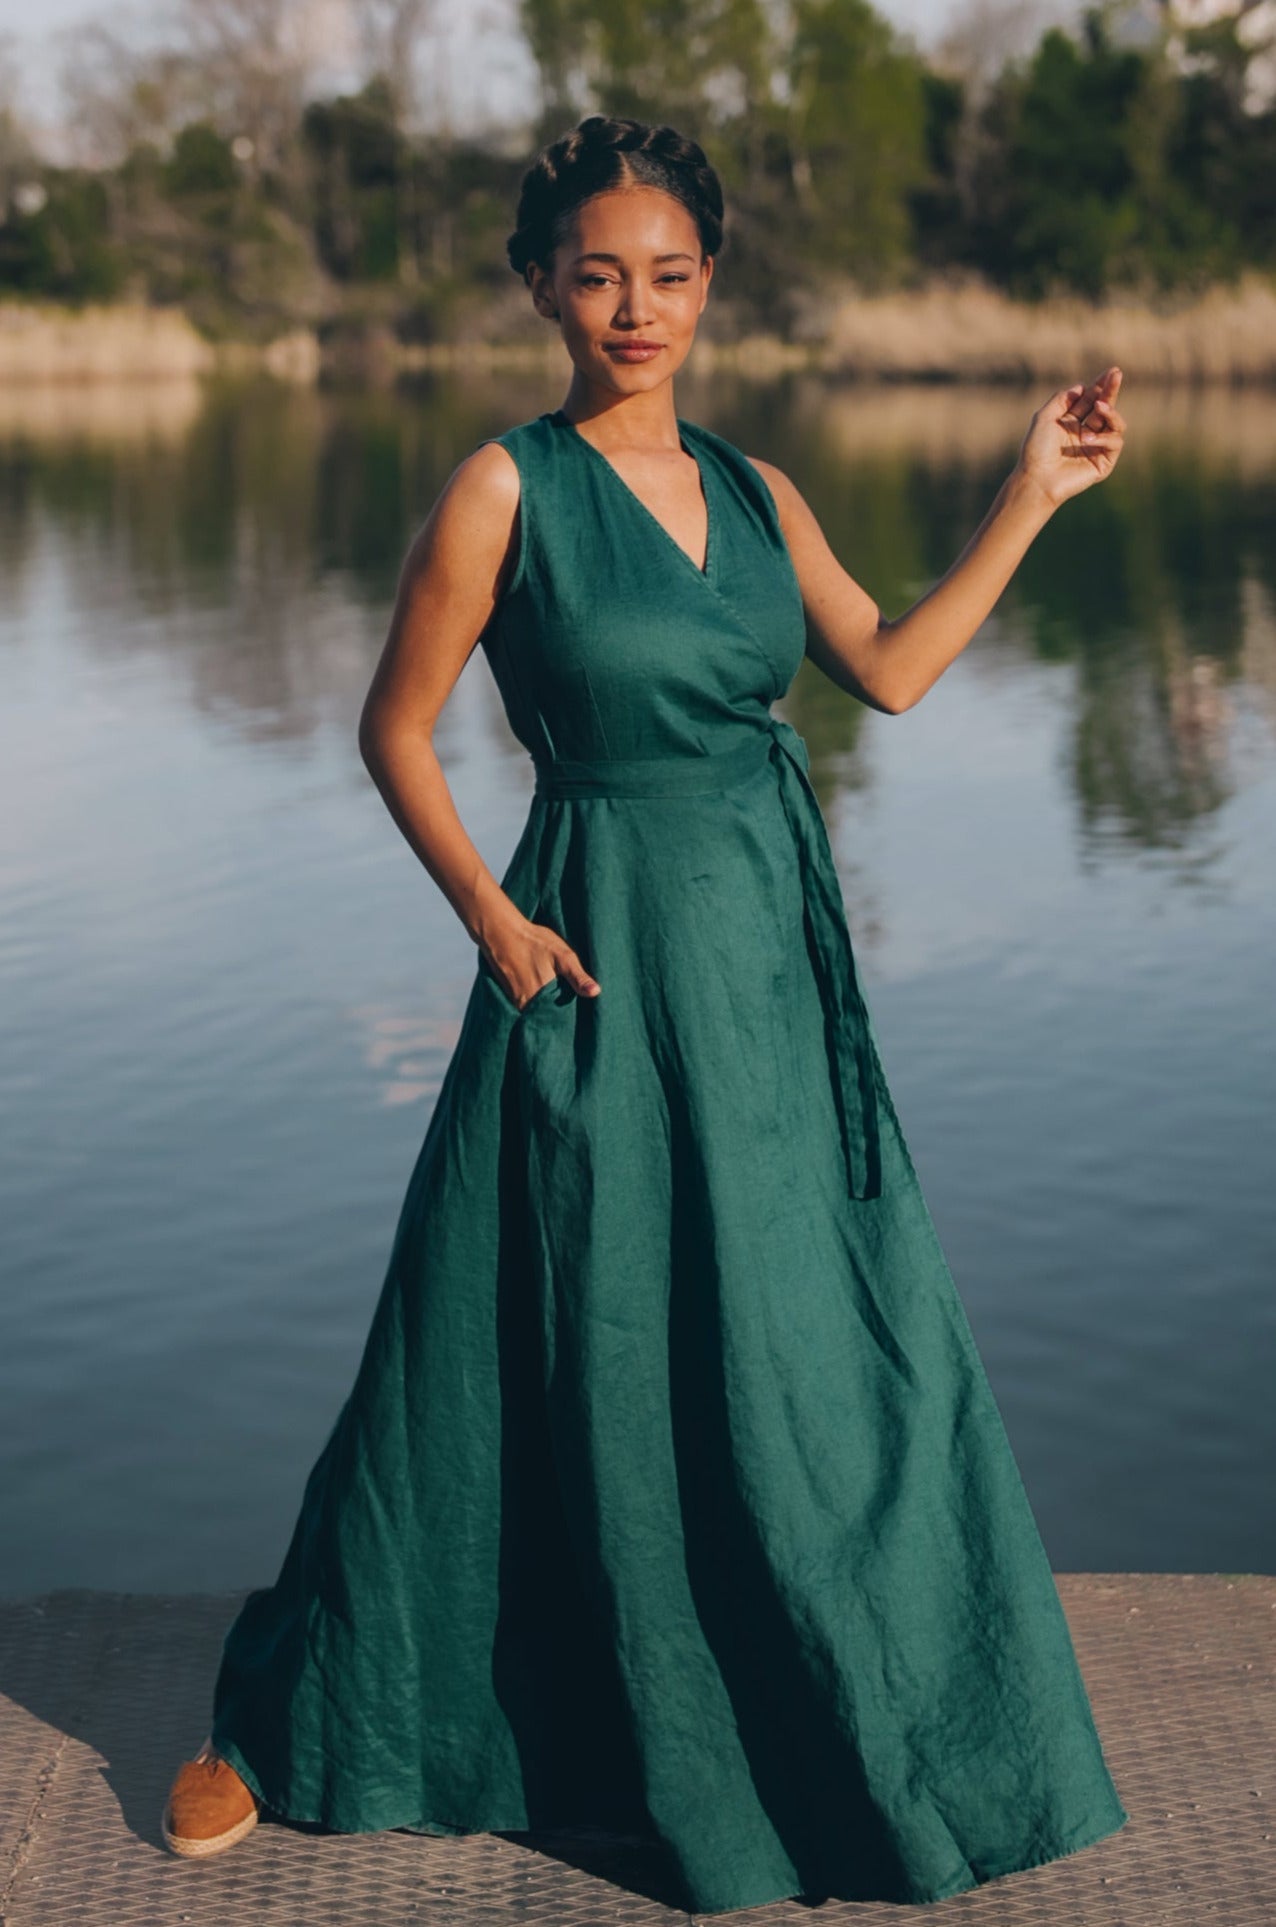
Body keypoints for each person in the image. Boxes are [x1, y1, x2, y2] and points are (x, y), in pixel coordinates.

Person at [162, 114, 1130, 1913]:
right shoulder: (503, 489)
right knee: (499, 1327)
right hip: (589, 942)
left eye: (669, 274)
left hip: (767, 964)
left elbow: (896, 676)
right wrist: (489, 916)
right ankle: (321, 1703)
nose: (635, 305)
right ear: (542, 283)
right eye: (597, 271)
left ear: (710, 286)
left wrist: (1034, 494)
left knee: (791, 1340)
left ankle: (802, 1706)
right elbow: (393, 725)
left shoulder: (764, 494)